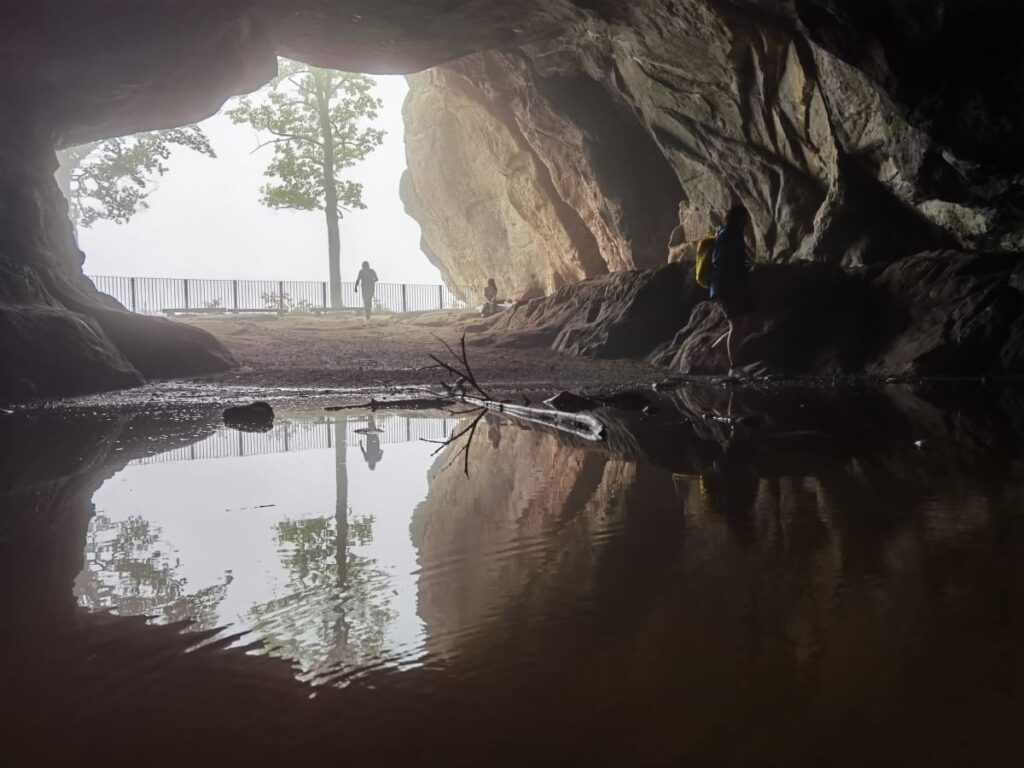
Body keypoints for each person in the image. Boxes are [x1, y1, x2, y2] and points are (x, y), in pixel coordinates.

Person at [710, 205, 755, 375]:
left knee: (743, 324)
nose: (747, 221)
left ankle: (713, 350)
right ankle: (734, 367)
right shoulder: (727, 235)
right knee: (736, 325)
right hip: (726, 286)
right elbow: (719, 260)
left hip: (733, 285)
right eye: (745, 218)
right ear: (738, 218)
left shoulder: (732, 234)